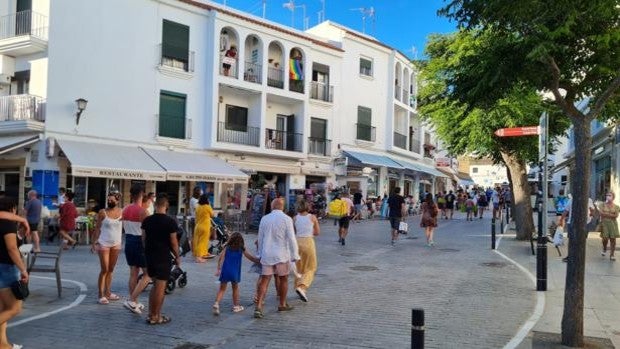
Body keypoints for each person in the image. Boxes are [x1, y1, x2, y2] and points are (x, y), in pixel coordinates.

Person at [253, 198, 300, 319]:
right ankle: (282, 304)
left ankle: (258, 307)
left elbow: (260, 237)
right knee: (283, 279)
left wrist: (259, 253)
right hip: (282, 255)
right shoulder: (287, 219)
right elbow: (291, 238)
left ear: (272, 206)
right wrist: (295, 255)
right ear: (283, 207)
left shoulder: (265, 218)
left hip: (267, 254)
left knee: (265, 281)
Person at [141, 193, 180, 325]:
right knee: (160, 288)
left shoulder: (147, 221)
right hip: (163, 256)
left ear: (156, 206)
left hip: (149, 256)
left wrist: (147, 252)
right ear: (166, 206)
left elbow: (143, 239)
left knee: (154, 286)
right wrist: (178, 257)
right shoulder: (170, 222)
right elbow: (174, 243)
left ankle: (151, 313)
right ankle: (156, 317)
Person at [0, 197, 29, 349]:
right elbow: (12, 249)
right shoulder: (8, 224)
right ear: (12, 208)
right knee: (14, 308)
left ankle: (3, 345)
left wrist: (21, 228)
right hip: (6, 269)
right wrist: (23, 270)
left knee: (3, 309)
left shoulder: (7, 222)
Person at [212, 232, 259, 315]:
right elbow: (250, 257)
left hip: (225, 270)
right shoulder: (241, 248)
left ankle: (216, 304)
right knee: (235, 288)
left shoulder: (227, 247)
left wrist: (219, 269)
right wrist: (258, 261)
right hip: (235, 272)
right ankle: (236, 306)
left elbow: (221, 258)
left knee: (222, 289)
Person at [91, 191, 123, 305]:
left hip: (116, 244)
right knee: (104, 269)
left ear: (117, 201)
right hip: (103, 243)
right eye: (108, 199)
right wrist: (94, 243)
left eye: (112, 200)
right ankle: (101, 294)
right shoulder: (102, 212)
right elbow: (97, 228)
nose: (109, 201)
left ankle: (108, 292)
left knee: (111, 269)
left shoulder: (122, 212)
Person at [123, 185, 149, 314]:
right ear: (142, 195)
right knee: (148, 274)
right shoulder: (143, 211)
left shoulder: (125, 209)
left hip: (128, 241)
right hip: (139, 242)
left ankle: (134, 302)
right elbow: (147, 232)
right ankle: (132, 299)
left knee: (133, 272)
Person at [293, 199, 320, 302]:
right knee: (311, 267)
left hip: (297, 242)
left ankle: (297, 286)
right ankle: (302, 287)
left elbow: (294, 232)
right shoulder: (312, 217)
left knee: (299, 267)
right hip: (308, 241)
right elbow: (317, 232)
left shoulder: (295, 218)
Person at [560, 194, 595, 263]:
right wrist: (591, 215)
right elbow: (592, 210)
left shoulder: (573, 200)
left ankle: (573, 255)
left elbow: (565, 211)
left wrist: (561, 219)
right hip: (581, 223)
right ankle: (576, 255)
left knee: (573, 240)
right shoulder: (572, 200)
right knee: (578, 240)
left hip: (577, 223)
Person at [193, 194, 215, 262]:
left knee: (198, 241)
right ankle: (199, 258)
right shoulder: (207, 206)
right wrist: (210, 206)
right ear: (206, 200)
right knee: (203, 242)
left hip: (197, 226)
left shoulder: (198, 207)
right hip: (205, 226)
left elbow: (196, 217)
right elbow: (212, 215)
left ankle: (204, 253)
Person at [599, 192, 619, 261]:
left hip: (613, 224)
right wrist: (611, 215)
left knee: (613, 239)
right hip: (604, 224)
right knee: (605, 238)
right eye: (607, 195)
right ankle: (604, 248)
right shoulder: (602, 205)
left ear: (613, 197)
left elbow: (616, 216)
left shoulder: (616, 207)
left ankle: (612, 254)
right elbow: (601, 214)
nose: (608, 196)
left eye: (610, 195)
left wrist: (606, 214)